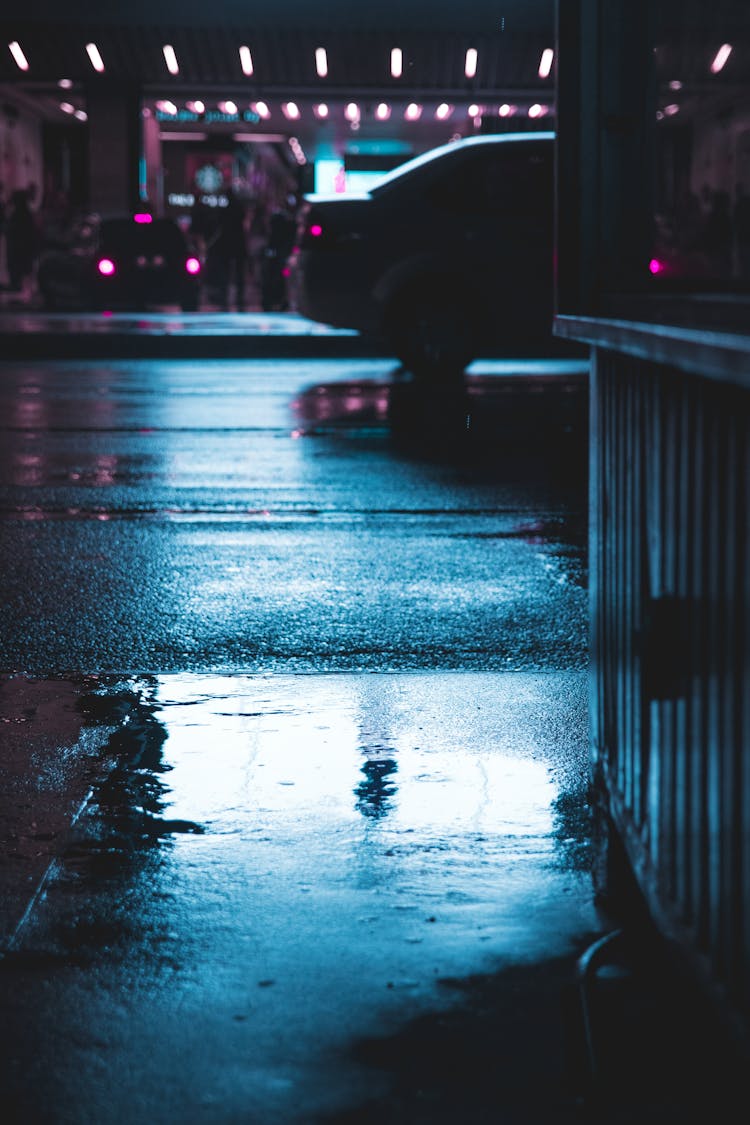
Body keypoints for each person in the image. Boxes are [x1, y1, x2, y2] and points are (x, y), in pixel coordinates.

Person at [207, 189, 248, 311]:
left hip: (227, 245)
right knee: (238, 273)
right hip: (237, 244)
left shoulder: (225, 211)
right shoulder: (238, 210)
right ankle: (238, 299)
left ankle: (225, 298)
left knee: (226, 273)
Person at [5, 188, 39, 297]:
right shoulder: (25, 214)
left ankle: (24, 291)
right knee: (25, 271)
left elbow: (13, 231)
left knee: (21, 271)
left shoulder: (18, 215)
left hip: (19, 249)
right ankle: (26, 291)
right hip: (24, 249)